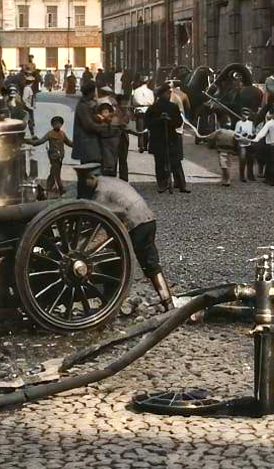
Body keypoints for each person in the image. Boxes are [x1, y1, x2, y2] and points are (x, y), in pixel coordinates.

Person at [74, 171, 175, 311]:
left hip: (136, 224)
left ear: (91, 178)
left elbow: (97, 223)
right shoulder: (110, 180)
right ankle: (166, 302)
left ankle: (166, 303)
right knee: (144, 262)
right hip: (148, 218)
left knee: (137, 263)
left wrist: (81, 248)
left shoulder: (100, 194)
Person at [145, 85, 189, 194]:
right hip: (158, 138)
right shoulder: (153, 108)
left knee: (176, 161)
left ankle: (181, 184)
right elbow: (148, 124)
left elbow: (179, 122)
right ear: (161, 95)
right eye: (167, 93)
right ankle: (162, 184)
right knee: (160, 162)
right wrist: (160, 120)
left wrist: (169, 121)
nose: (169, 95)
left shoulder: (173, 107)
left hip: (171, 137)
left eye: (170, 93)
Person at [30, 116, 72, 197]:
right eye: (55, 124)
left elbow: (69, 143)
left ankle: (50, 189)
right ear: (52, 125)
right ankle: (58, 189)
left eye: (59, 123)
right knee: (55, 173)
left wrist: (78, 144)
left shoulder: (62, 134)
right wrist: (30, 142)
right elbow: (39, 142)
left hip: (60, 157)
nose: (57, 125)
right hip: (54, 157)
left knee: (54, 173)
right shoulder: (50, 134)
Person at [131, 77, 154, 152]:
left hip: (140, 110)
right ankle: (146, 145)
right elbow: (152, 101)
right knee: (147, 129)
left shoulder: (136, 91)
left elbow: (135, 101)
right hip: (148, 110)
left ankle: (141, 145)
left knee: (140, 129)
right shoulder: (150, 91)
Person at [233, 113, 257, 182]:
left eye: (247, 114)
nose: (246, 116)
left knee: (251, 160)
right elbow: (236, 134)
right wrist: (241, 135)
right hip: (242, 144)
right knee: (242, 160)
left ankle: (250, 175)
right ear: (242, 115)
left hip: (249, 143)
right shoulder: (239, 123)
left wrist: (252, 135)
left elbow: (254, 132)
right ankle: (242, 176)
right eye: (244, 114)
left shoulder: (251, 123)